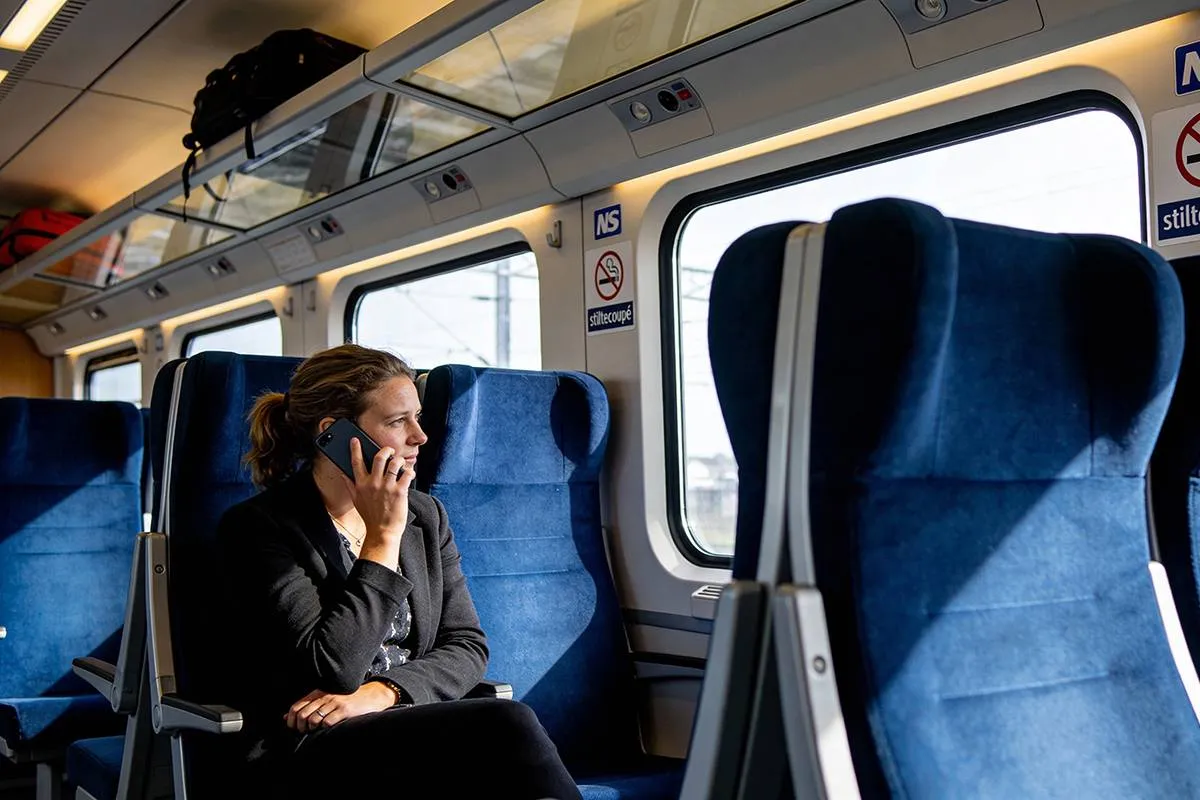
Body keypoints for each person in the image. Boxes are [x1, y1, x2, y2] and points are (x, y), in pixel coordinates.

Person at [215, 344, 581, 799]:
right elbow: (332, 670)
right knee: (508, 723)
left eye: (417, 417)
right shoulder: (258, 528)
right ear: (335, 434)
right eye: (396, 421)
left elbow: (467, 645)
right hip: (311, 747)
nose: (420, 436)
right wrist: (383, 538)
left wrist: (384, 692)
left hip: (406, 723)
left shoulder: (425, 516)